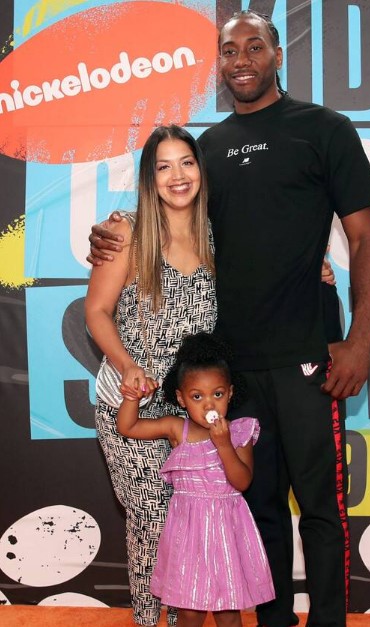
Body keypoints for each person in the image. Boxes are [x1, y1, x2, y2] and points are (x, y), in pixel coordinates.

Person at [87, 10, 370, 627]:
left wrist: (358, 341)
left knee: (323, 509)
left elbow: (361, 240)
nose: (242, 59)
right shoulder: (209, 150)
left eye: (255, 46)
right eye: (229, 51)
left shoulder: (324, 128)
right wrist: (111, 234)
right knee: (260, 504)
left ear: (278, 54)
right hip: (232, 370)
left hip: (308, 354)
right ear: (219, 64)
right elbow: (177, 220)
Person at [84, 125, 217, 626]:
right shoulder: (127, 232)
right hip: (128, 406)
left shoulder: (218, 236)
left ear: (201, 169)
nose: (177, 176)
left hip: (192, 414)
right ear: (149, 177)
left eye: (186, 162)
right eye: (163, 166)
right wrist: (128, 367)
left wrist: (316, 270)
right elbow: (96, 311)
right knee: (154, 518)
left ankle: (160, 619)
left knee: (161, 528)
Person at [116, 331, 275, 627]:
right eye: (197, 396)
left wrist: (224, 445)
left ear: (229, 393)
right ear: (181, 398)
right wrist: (131, 398)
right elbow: (129, 427)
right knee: (190, 610)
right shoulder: (177, 429)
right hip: (189, 533)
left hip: (228, 531)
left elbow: (242, 482)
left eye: (217, 394)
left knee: (228, 611)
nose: (209, 405)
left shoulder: (240, 432)